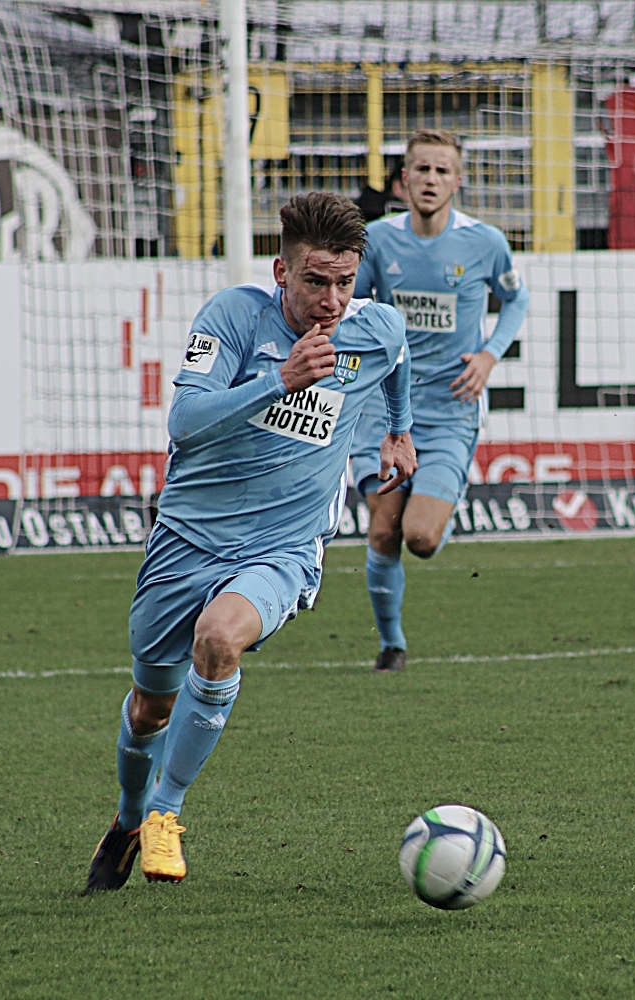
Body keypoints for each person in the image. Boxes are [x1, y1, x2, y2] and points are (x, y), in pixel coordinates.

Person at [83, 192, 417, 892]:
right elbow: (186, 421)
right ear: (282, 273)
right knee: (151, 706)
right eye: (315, 282)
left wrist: (399, 428)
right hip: (187, 537)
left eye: (345, 282)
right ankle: (127, 818)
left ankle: (166, 814)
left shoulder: (373, 329)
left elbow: (398, 355)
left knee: (219, 639)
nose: (331, 300)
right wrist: (278, 380)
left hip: (283, 547)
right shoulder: (233, 317)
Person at [349, 129, 530, 672]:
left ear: (457, 180)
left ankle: (442, 489)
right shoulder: (378, 240)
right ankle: (392, 646)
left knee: (421, 538)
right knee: (383, 529)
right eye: (420, 170)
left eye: (440, 171)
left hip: (450, 409)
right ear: (403, 180)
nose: (429, 180)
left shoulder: (484, 242)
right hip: (384, 409)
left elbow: (516, 300)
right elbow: (353, 306)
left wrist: (490, 354)